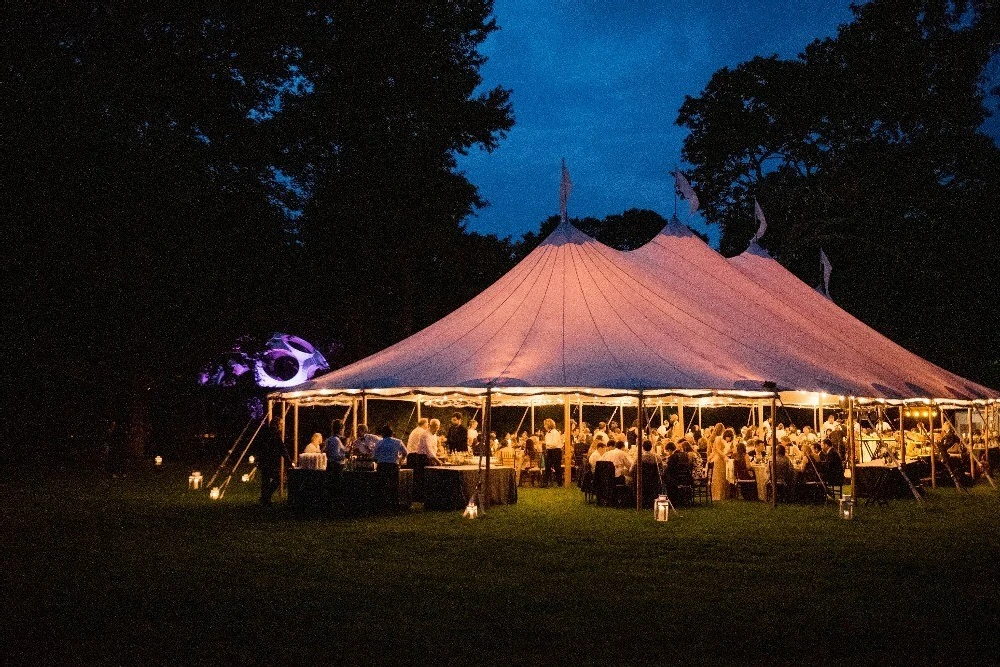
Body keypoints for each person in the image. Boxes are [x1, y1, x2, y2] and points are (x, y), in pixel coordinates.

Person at [254, 417, 292, 506]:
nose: (282, 426)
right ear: (278, 424)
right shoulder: (275, 434)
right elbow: (282, 447)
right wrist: (288, 461)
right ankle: (265, 497)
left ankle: (265, 499)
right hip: (270, 461)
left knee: (266, 480)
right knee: (277, 479)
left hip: (264, 460)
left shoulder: (266, 432)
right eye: (281, 424)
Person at [373, 424, 408, 512]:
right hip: (393, 465)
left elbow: (375, 456)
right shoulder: (398, 441)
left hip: (382, 466)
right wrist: (401, 460)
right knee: (394, 486)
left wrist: (379, 461)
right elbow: (405, 452)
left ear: (383, 433)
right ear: (392, 433)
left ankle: (382, 506)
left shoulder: (379, 442)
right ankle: (394, 506)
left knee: (382, 486)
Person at [708, 423, 728, 501]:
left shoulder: (712, 438)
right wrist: (724, 456)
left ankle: (717, 495)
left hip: (715, 458)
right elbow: (718, 449)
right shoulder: (719, 438)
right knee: (720, 477)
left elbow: (710, 450)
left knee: (717, 477)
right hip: (720, 458)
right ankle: (720, 495)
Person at [543, 418, 564, 486]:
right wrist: (547, 445)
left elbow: (554, 444)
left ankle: (559, 483)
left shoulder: (555, 433)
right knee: (547, 467)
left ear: (548, 425)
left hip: (556, 451)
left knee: (557, 467)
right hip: (550, 451)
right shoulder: (547, 433)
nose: (544, 426)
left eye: (545, 425)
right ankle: (545, 483)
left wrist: (547, 444)